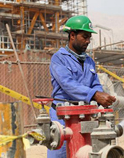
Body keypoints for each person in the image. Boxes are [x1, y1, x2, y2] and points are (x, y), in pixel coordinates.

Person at [48, 15, 116, 158]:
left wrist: (101, 95)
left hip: (83, 117)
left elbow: (95, 83)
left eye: (89, 38)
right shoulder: (58, 58)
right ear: (72, 35)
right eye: (85, 37)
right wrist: (94, 95)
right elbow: (68, 84)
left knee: (83, 152)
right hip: (62, 117)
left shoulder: (89, 61)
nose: (88, 41)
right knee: (60, 154)